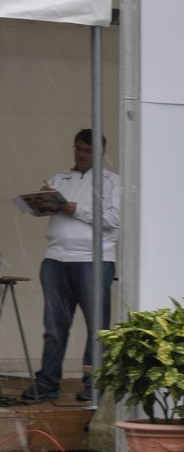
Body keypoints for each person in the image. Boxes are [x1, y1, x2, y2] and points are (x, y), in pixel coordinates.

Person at [22, 129, 119, 403]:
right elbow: (43, 210)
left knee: (96, 328)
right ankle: (47, 382)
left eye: (87, 150)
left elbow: (114, 219)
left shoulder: (112, 182)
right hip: (55, 258)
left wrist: (76, 209)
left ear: (100, 152)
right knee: (54, 326)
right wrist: (41, 201)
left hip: (93, 259)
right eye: (77, 148)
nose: (81, 154)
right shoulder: (60, 177)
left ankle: (93, 383)